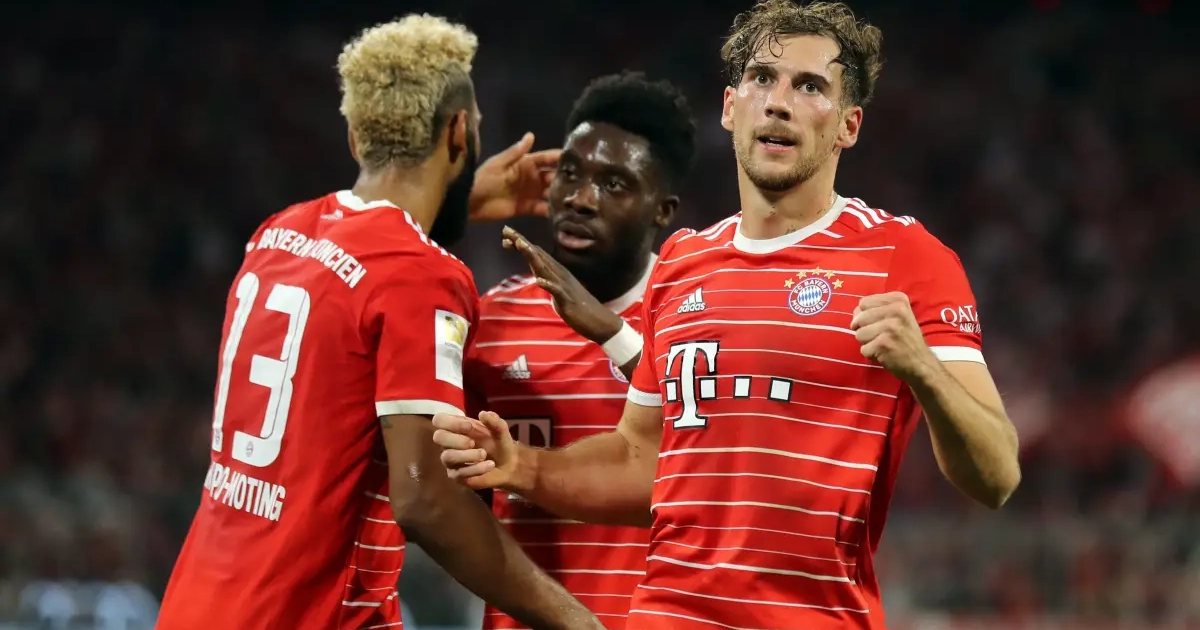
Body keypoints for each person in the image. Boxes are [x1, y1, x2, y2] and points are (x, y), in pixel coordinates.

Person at [432, 2, 1022, 629]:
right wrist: (524, 466)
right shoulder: (684, 261)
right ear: (729, 107)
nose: (778, 103)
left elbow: (997, 477)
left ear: (848, 126)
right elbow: (641, 458)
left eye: (810, 86)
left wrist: (924, 369)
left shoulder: (904, 257)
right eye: (763, 78)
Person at [156, 15, 603, 630]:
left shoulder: (277, 235)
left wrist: (461, 195)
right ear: (458, 131)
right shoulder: (423, 276)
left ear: (353, 138)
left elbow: (364, 259)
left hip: (199, 602)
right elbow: (426, 500)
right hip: (303, 616)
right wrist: (579, 622)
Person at [466, 72, 697, 630]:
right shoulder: (492, 321)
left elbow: (717, 458)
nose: (581, 199)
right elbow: (446, 495)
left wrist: (614, 335)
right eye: (569, 174)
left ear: (662, 210)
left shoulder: (697, 314)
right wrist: (462, 202)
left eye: (614, 184)